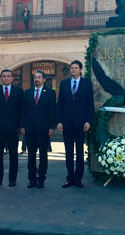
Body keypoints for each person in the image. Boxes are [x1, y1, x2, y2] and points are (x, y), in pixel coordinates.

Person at [57, 60, 94, 188]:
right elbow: (60, 103)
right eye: (71, 68)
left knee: (79, 152)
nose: (73, 70)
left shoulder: (87, 84)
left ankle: (78, 178)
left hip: (81, 123)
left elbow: (90, 104)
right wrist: (59, 121)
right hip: (67, 123)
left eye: (75, 68)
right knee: (68, 152)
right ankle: (69, 178)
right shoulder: (64, 84)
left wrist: (88, 121)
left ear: (80, 70)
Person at [0, 69, 25, 187]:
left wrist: (21, 126)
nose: (6, 78)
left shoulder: (19, 92)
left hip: (14, 129)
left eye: (8, 76)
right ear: (0, 78)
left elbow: (22, 110)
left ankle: (12, 180)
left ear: (12, 78)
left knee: (13, 155)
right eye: (4, 76)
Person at [22, 70, 56, 188]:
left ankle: (41, 179)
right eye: (35, 77)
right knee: (31, 155)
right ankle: (32, 179)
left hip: (43, 129)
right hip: (30, 129)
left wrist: (52, 127)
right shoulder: (28, 92)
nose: (36, 79)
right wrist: (23, 126)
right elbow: (24, 111)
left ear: (44, 79)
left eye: (39, 77)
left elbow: (53, 111)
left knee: (43, 155)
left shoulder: (50, 93)